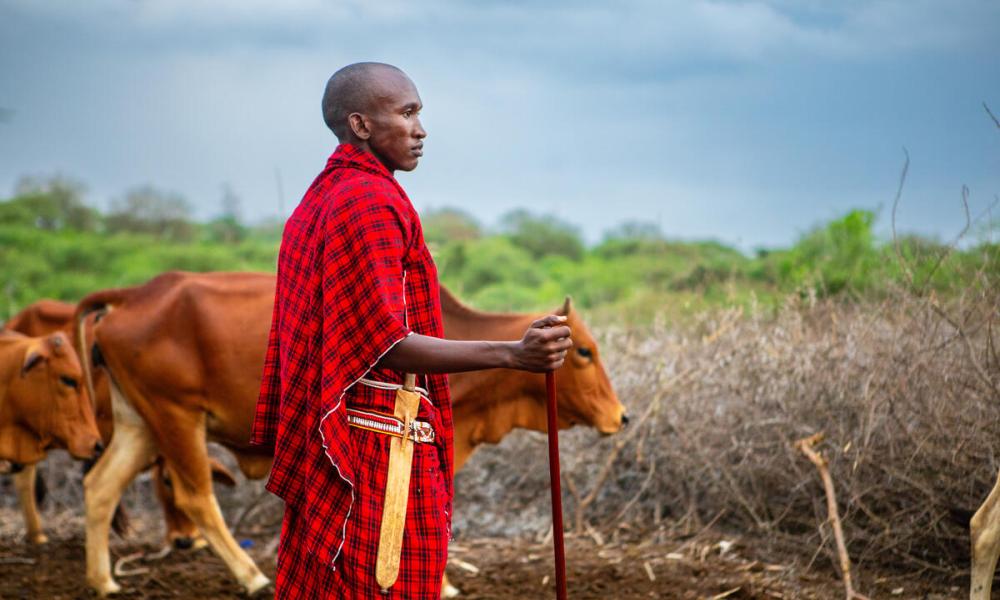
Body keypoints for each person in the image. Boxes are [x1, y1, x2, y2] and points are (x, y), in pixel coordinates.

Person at [251, 62, 573, 599]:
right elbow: (387, 344)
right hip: (373, 446)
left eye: (419, 113)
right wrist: (513, 354)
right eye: (406, 113)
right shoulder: (370, 202)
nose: (421, 129)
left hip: (344, 436)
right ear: (360, 125)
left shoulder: (323, 196)